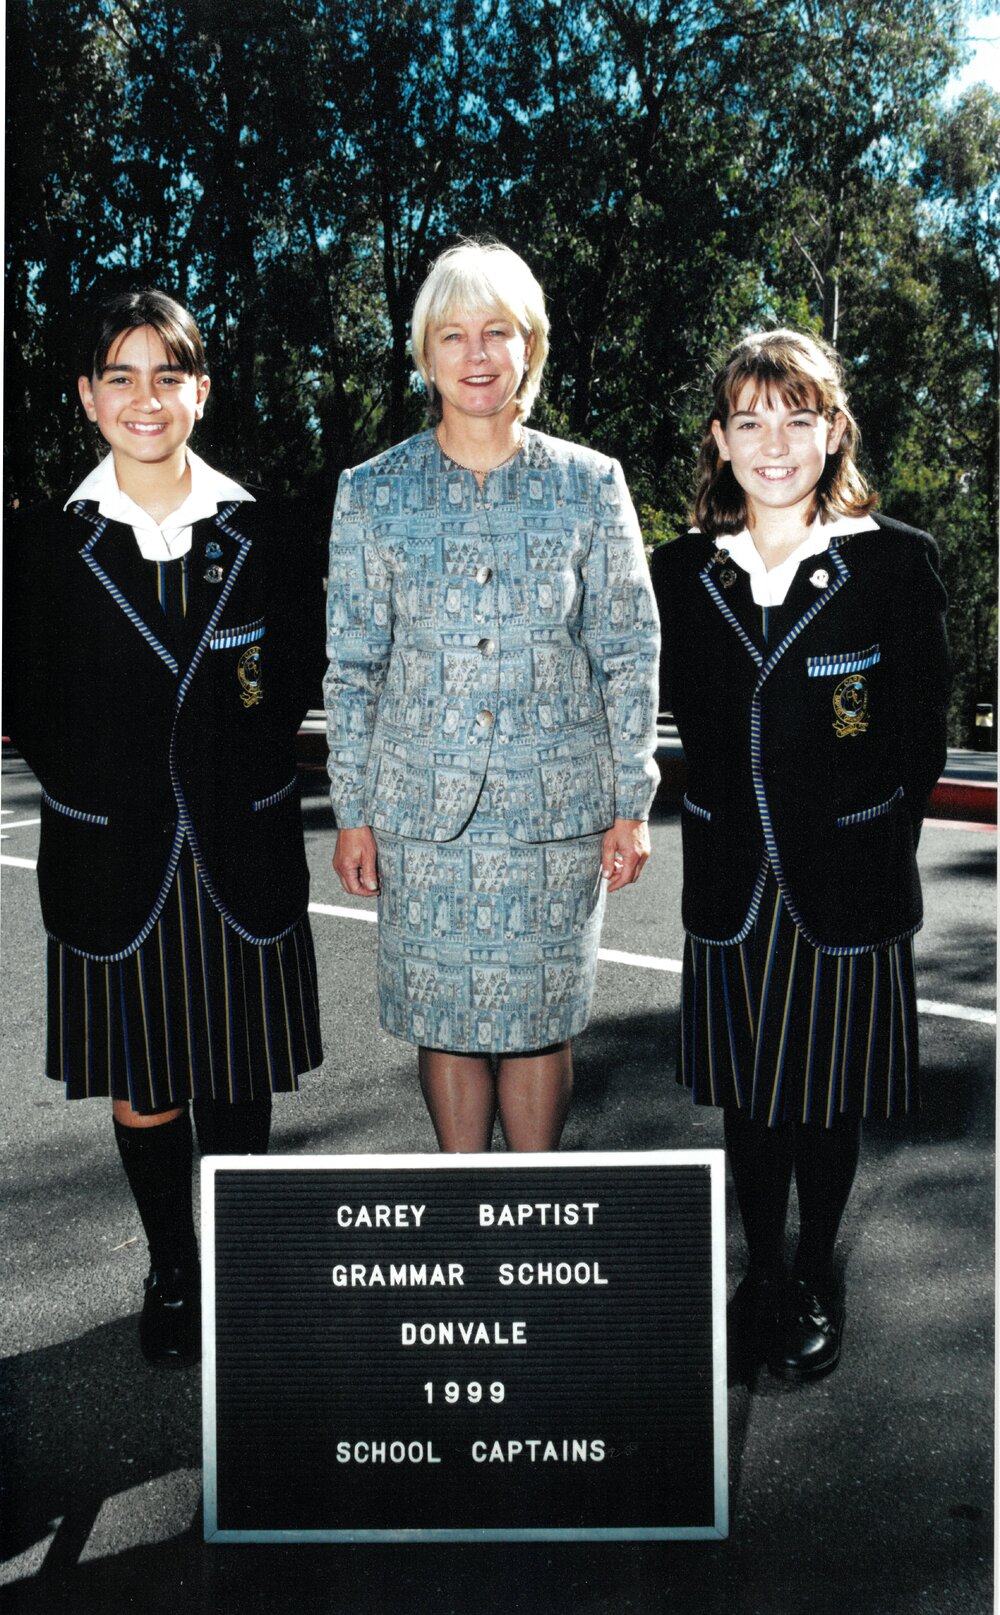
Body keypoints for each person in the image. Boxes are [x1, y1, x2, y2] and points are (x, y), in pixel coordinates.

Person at [2, 289, 326, 1364]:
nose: (146, 398)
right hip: (113, 854)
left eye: (168, 375)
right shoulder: (39, 546)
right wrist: (109, 782)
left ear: (201, 391)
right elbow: (25, 701)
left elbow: (292, 676)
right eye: (121, 377)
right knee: (144, 1081)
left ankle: (238, 1257)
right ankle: (174, 1266)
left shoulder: (264, 530)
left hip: (241, 848)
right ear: (88, 396)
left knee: (236, 1070)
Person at [651, 328, 949, 1382]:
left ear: (834, 430)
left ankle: (816, 1272)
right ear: (719, 441)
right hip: (730, 882)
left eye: (795, 418)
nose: (772, 443)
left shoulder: (894, 561)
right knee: (750, 1097)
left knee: (826, 1096)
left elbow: (918, 741)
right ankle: (763, 1274)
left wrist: (868, 841)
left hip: (848, 885)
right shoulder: (681, 572)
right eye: (748, 421)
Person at [324, 240, 660, 1152]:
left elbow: (628, 649)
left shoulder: (591, 484)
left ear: (529, 346)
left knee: (541, 1021)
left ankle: (533, 1201)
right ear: (425, 354)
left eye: (498, 332)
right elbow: (352, 665)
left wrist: (631, 802)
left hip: (555, 816)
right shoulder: (371, 493)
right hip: (421, 817)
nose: (476, 354)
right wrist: (354, 812)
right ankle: (465, 1198)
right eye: (453, 335)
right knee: (445, 1020)